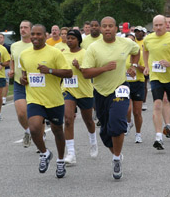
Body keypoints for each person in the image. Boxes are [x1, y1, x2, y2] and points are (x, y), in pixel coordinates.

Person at [81, 16, 140, 180]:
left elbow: (137, 52)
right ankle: (115, 152)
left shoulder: (126, 43)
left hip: (120, 87)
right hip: (100, 92)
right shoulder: (93, 48)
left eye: (111, 26)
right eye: (104, 26)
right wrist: (104, 68)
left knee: (116, 123)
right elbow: (85, 72)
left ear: (116, 29)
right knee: (106, 133)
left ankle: (116, 159)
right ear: (100, 29)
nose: (107, 29)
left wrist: (133, 66)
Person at [20, 24, 72, 178]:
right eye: (33, 34)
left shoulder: (55, 53)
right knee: (34, 128)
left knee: (57, 131)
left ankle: (61, 161)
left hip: (54, 100)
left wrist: (49, 70)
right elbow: (24, 74)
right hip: (34, 99)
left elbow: (68, 73)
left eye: (39, 34)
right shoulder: (24, 54)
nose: (35, 37)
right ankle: (45, 153)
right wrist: (23, 79)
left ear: (45, 35)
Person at [143, 15, 170, 150]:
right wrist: (147, 66)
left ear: (166, 25)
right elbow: (145, 50)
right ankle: (158, 137)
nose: (158, 28)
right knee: (157, 105)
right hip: (156, 77)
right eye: (156, 25)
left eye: (161, 25)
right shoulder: (148, 39)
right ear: (153, 26)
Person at [62, 29, 98, 165]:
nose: (69, 40)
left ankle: (93, 142)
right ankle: (71, 153)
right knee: (68, 119)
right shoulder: (62, 53)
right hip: (68, 90)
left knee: (88, 120)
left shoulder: (85, 53)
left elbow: (89, 73)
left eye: (72, 38)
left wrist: (79, 67)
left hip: (84, 91)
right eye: (68, 38)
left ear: (78, 40)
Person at [9, 20, 33, 147]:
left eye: (25, 27)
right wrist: (12, 70)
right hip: (19, 83)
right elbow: (12, 60)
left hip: (34, 84)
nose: (22, 29)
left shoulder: (36, 45)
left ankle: (40, 134)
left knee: (36, 113)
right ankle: (29, 131)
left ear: (30, 30)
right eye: (21, 27)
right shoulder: (14, 46)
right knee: (21, 113)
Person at [124, 32, 145, 143]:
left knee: (137, 112)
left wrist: (135, 65)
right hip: (125, 83)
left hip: (138, 83)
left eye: (132, 40)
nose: (130, 42)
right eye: (128, 40)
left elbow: (145, 70)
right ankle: (128, 122)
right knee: (127, 109)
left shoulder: (140, 53)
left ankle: (138, 133)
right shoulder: (122, 54)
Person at [0, 33, 11, 105]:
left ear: (3, 39)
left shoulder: (7, 47)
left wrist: (11, 69)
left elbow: (10, 58)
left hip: (6, 67)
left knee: (6, 82)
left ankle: (4, 98)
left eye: (1, 37)